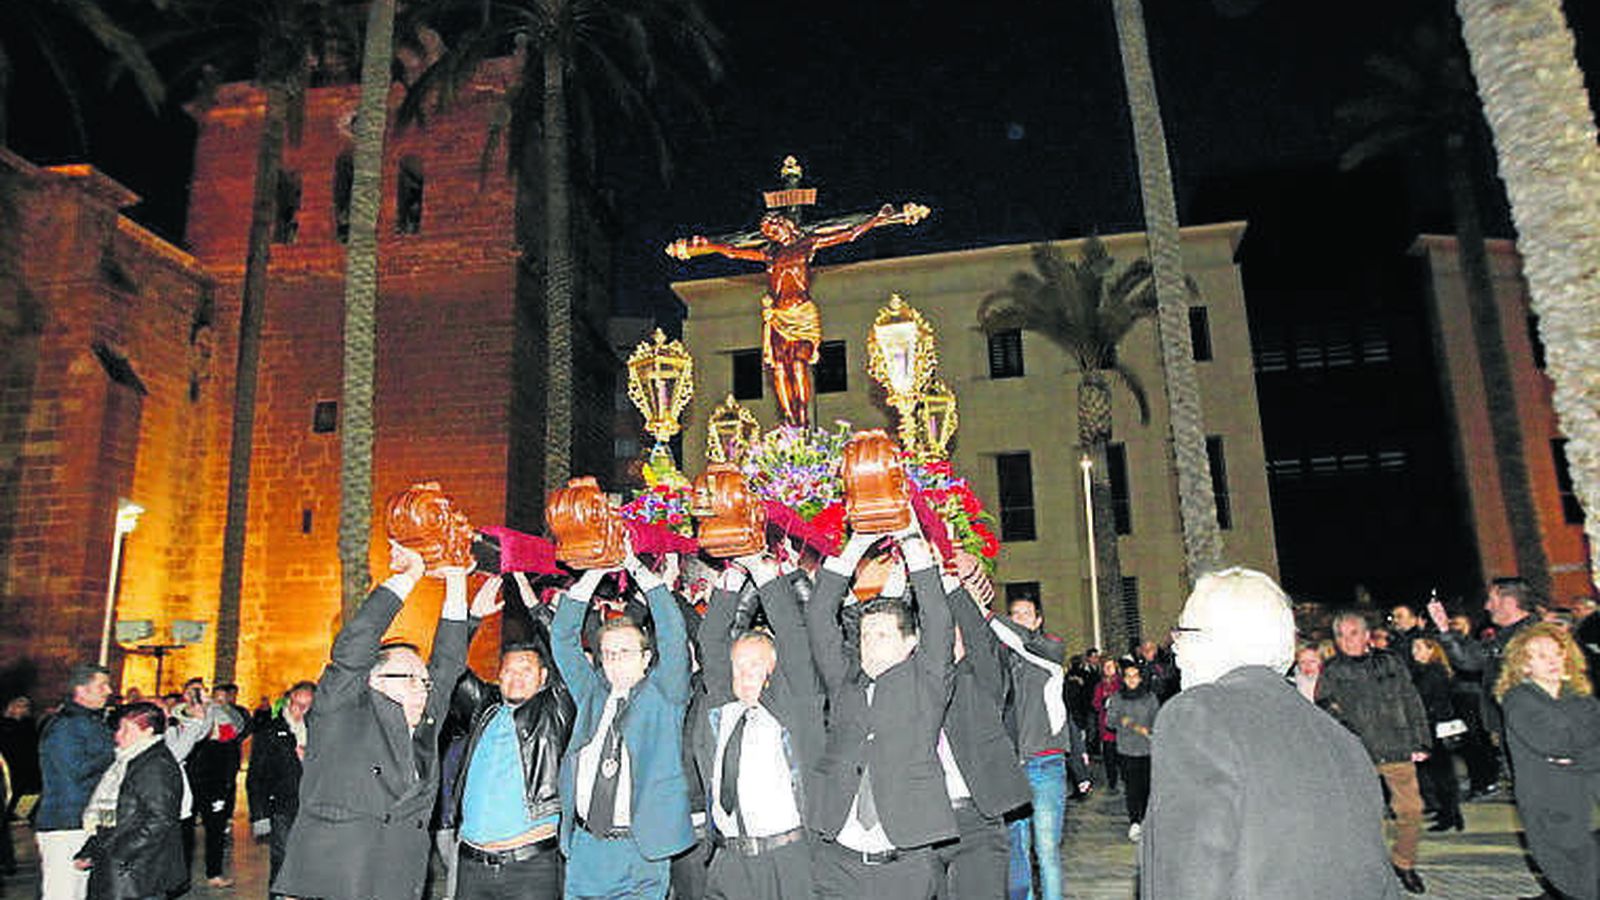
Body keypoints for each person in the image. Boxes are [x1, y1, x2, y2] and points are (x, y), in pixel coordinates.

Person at [1141, 567, 1399, 899]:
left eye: (1183, 632)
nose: (1174, 649)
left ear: (1220, 639)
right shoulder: (1342, 740)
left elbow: (1185, 875)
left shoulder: (1197, 715)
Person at [272, 542, 494, 900]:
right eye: (407, 679)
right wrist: (407, 578)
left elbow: (448, 664)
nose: (422, 689)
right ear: (372, 682)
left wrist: (456, 580)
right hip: (330, 885)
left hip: (394, 884)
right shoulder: (340, 714)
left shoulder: (425, 723)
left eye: (423, 681)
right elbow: (353, 649)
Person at [668, 198, 924, 426]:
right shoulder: (771, 253)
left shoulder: (806, 244)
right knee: (779, 367)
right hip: (778, 316)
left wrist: (877, 219)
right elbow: (734, 252)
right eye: (767, 232)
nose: (771, 233)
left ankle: (802, 418)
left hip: (802, 314)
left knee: (799, 362)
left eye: (773, 228)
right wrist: (710, 245)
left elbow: (849, 234)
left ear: (786, 225)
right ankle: (790, 420)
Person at [807, 524, 957, 900]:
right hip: (838, 862)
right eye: (865, 635)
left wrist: (911, 542)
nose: (869, 644)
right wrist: (855, 545)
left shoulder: (927, 682)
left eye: (882, 635)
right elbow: (818, 616)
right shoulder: (845, 681)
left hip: (905, 865)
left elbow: (938, 618)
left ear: (910, 643)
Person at [552, 548, 694, 900]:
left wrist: (636, 568)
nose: (615, 661)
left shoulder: (664, 695)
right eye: (609, 653)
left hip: (640, 849)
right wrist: (593, 573)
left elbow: (674, 634)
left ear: (646, 658)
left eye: (625, 652)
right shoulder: (591, 692)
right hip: (585, 846)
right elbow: (562, 639)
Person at [692, 549, 822, 900]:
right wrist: (732, 578)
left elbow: (794, 639)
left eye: (756, 666)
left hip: (787, 861)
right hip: (729, 862)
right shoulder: (723, 710)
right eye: (739, 666)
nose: (745, 674)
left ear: (774, 671)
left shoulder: (793, 711)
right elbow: (710, 641)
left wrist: (763, 575)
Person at [451, 630, 576, 900]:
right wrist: (469, 620)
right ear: (499, 676)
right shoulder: (482, 710)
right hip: (471, 865)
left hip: (529, 869)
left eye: (526, 669)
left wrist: (538, 608)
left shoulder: (553, 713)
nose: (516, 676)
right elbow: (448, 666)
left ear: (543, 677)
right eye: (509, 670)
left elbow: (567, 658)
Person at [934, 555, 1031, 900]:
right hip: (923, 824)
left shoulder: (980, 683)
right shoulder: (917, 688)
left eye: (954, 636)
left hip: (976, 822)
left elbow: (979, 639)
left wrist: (950, 579)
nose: (948, 643)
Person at [1316, 612, 1433, 894]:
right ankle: (1369, 868)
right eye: (1341, 635)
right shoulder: (1332, 671)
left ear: (1367, 635)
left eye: (1353, 633)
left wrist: (1422, 741)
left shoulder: (1390, 662)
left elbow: (1411, 699)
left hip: (1396, 748)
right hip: (1359, 754)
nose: (1347, 641)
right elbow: (1324, 710)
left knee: (1411, 811)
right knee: (1365, 817)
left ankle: (1403, 862)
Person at [993, 593, 1090, 900]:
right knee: (1017, 851)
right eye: (1014, 614)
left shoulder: (1050, 654)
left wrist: (1079, 766)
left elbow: (1067, 717)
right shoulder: (1001, 661)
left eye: (1026, 614)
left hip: (1045, 765)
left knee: (1047, 851)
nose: (1019, 618)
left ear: (1038, 621)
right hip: (1012, 769)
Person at [1495, 623, 1600, 900]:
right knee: (1577, 882)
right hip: (1553, 807)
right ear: (1524, 665)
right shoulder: (1518, 700)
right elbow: (1555, 743)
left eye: (1557, 653)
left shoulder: (1582, 698)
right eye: (1541, 655)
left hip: (1591, 802)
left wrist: (1575, 755)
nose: (1553, 660)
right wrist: (1584, 750)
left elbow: (1576, 747)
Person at [71, 701, 187, 900]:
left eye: (126, 730)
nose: (117, 736)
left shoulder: (156, 766)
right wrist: (94, 847)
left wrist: (118, 852)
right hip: (119, 867)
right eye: (119, 729)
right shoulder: (127, 762)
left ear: (148, 731)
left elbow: (160, 820)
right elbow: (110, 812)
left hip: (139, 874)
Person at [36, 663, 115, 900]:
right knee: (63, 892)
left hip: (87, 821)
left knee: (81, 892)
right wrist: (116, 754)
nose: (109, 691)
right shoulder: (65, 726)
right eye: (102, 685)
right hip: (66, 823)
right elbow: (75, 770)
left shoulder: (92, 722)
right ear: (81, 690)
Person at [246, 681, 316, 893]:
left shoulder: (322, 732)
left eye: (306, 705)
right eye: (295, 703)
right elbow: (256, 777)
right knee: (283, 863)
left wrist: (310, 759)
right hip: (282, 808)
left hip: (315, 808)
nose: (299, 710)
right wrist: (260, 816)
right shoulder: (270, 732)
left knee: (313, 865)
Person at [188, 680, 249, 888]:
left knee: (215, 827)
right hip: (189, 778)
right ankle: (181, 874)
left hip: (213, 778)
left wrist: (221, 707)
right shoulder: (181, 714)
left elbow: (235, 731)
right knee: (184, 829)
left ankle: (214, 872)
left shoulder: (222, 713)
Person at [1409, 639, 1464, 833]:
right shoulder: (1429, 670)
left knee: (1441, 773)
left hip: (1435, 727)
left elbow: (1426, 698)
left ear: (1431, 649)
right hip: (1434, 725)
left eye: (1418, 648)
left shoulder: (1433, 672)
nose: (1413, 652)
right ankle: (1448, 812)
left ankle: (1450, 814)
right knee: (1439, 771)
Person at [1105, 662, 1157, 842]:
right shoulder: (1117, 698)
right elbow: (1109, 722)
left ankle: (1147, 820)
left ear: (1141, 678)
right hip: (1126, 750)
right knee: (1132, 788)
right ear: (1124, 679)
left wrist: (1149, 731)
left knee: (1147, 787)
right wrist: (1124, 722)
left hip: (1147, 750)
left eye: (1135, 675)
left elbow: (1156, 721)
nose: (1132, 679)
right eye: (1128, 676)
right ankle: (1135, 821)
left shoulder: (1150, 697)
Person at [1091, 657, 1123, 795]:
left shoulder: (1122, 683)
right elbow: (1095, 704)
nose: (1108, 669)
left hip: (1122, 727)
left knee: (1123, 756)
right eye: (1106, 666)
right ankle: (1112, 782)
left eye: (1111, 666)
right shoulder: (1099, 685)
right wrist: (1103, 701)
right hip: (1106, 727)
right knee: (1109, 757)